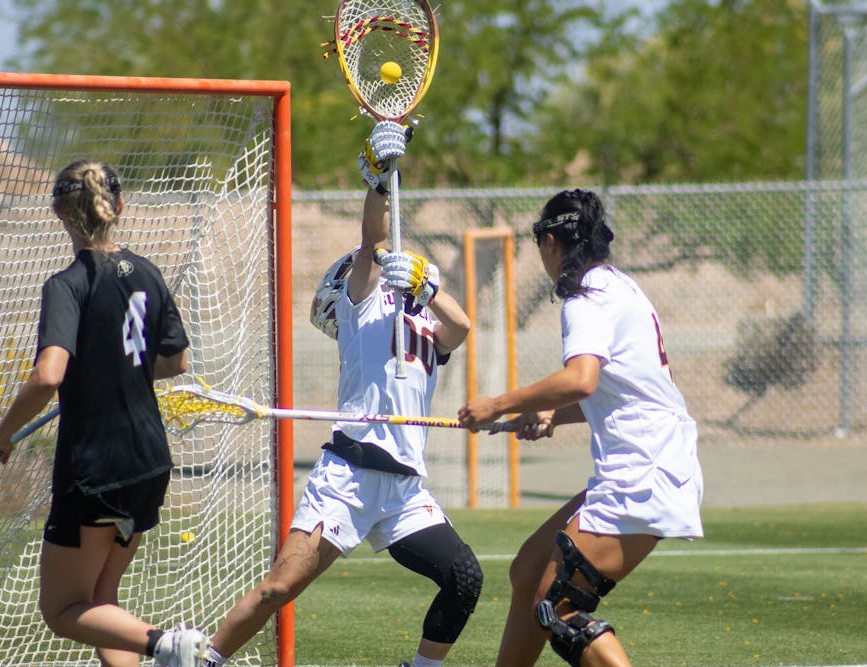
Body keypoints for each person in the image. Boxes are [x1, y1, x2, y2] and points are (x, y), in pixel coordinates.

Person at [200, 122, 483, 667]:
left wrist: (428, 288)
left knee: (464, 577)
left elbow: (461, 326)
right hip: (349, 476)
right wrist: (377, 180)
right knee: (280, 588)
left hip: (402, 488)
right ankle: (207, 658)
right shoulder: (362, 308)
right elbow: (373, 242)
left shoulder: (428, 323)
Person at [0, 160, 210, 667]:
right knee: (102, 601)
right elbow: (175, 361)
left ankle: (168, 645)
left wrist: (1, 435)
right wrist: (118, 373)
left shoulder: (67, 284)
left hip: (96, 468)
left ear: (58, 212)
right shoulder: (147, 272)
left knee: (62, 611)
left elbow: (48, 375)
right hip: (148, 460)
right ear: (119, 205)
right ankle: (162, 645)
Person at [457, 188, 703, 667]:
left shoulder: (585, 296)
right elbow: (619, 389)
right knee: (530, 572)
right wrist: (552, 413)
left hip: (642, 472)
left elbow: (581, 379)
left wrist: (497, 404)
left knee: (557, 606)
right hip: (650, 461)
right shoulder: (618, 285)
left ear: (551, 242)